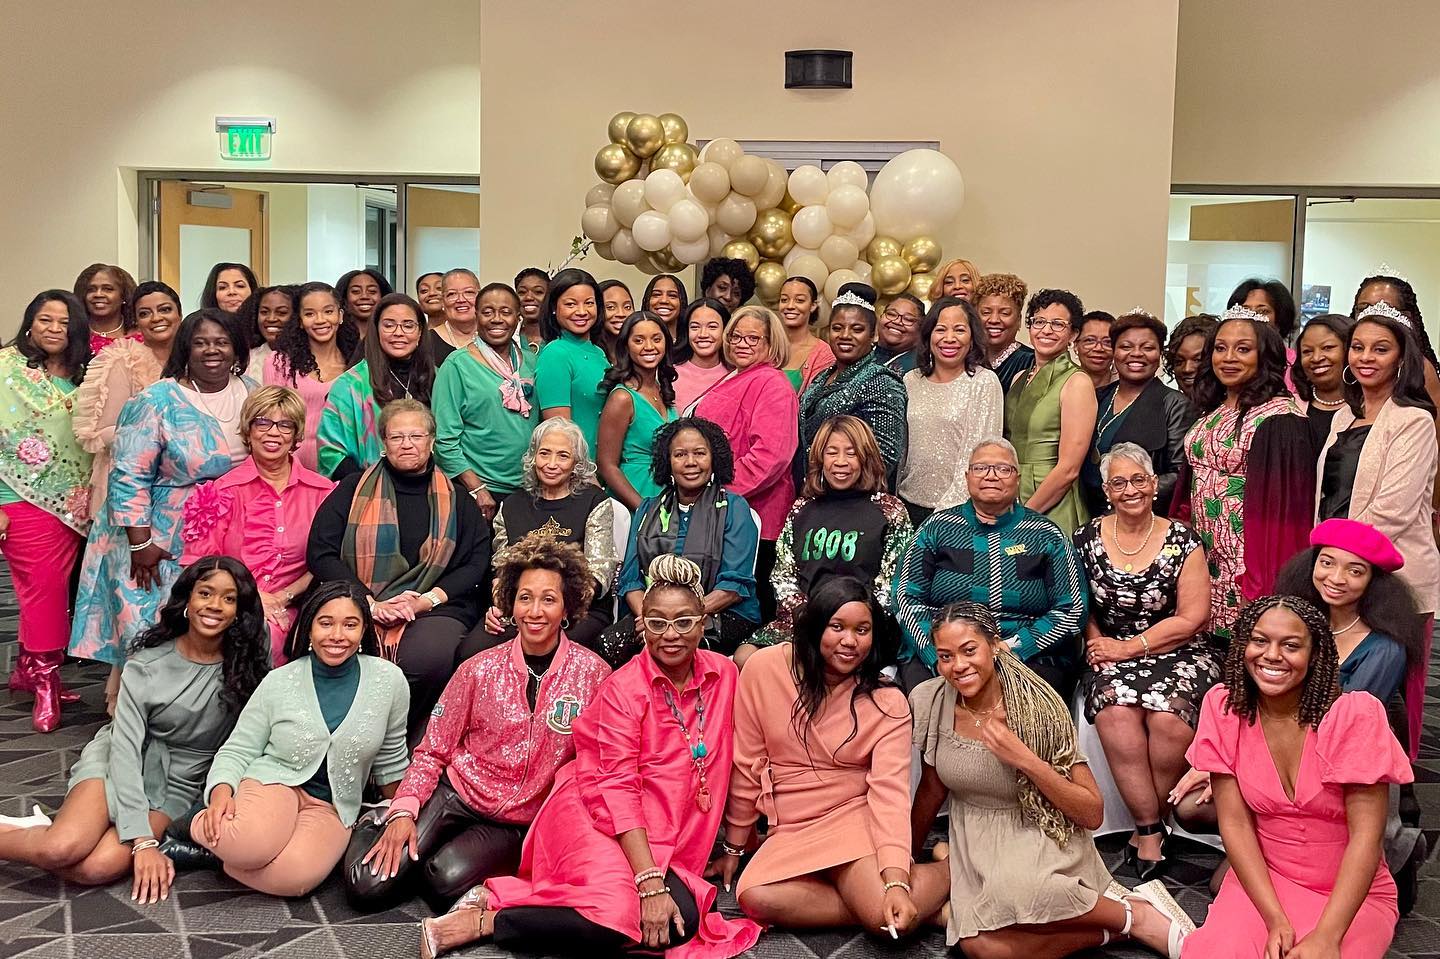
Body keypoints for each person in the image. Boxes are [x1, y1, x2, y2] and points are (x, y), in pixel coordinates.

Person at [416, 555, 762, 959]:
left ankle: (524, 905)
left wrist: (734, 847)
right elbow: (617, 788)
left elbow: (744, 762)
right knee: (623, 913)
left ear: (703, 623)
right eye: (657, 623)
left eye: (684, 621)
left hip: (669, 834)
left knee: (678, 921)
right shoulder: (622, 689)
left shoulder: (726, 677)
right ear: (641, 626)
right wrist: (649, 882)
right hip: (598, 817)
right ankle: (490, 919)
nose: (671, 635)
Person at [343, 533, 612, 912]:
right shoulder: (478, 668)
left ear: (567, 607)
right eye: (525, 598)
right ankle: (376, 820)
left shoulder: (594, 674)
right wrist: (404, 810)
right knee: (367, 885)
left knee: (443, 880)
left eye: (548, 599)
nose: (535, 611)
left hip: (519, 820)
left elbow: (597, 763)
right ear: (510, 605)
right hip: (457, 794)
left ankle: (437, 851)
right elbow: (433, 748)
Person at [910, 602, 1192, 958]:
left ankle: (1134, 915)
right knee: (980, 947)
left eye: (969, 650)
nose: (958, 666)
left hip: (1038, 825)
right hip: (976, 829)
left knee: (1021, 893)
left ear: (995, 645)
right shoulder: (929, 700)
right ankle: (1112, 933)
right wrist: (907, 858)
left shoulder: (1037, 708)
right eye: (945, 656)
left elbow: (1092, 813)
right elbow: (932, 788)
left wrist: (1024, 759)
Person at [0, 559, 268, 902]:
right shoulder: (147, 664)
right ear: (187, 600)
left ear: (239, 610)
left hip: (180, 781)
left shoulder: (247, 666)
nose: (215, 605)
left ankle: (38, 831)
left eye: (229, 599)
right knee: (61, 848)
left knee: (97, 867)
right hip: (121, 760)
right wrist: (142, 842)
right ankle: (34, 836)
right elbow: (125, 750)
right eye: (205, 593)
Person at [713, 579, 948, 934]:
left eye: (862, 630)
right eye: (837, 627)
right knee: (754, 896)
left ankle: (955, 868)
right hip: (792, 825)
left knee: (883, 922)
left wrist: (896, 879)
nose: (850, 641)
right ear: (815, 625)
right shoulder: (764, 668)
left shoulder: (888, 701)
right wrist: (733, 844)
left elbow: (890, 795)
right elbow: (747, 766)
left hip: (853, 819)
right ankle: (918, 911)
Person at [1180, 595, 1410, 959]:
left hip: (1348, 896)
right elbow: (1236, 826)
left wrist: (1328, 936)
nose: (1272, 655)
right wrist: (1274, 919)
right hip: (1266, 884)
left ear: (1316, 654)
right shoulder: (1223, 708)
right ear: (1243, 646)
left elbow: (1367, 837)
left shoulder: (1354, 715)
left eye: (1290, 645)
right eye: (1260, 641)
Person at [70, 308, 254, 699]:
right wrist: (140, 543)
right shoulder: (156, 399)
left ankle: (197, 713)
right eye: (201, 342)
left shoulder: (252, 392)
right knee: (149, 625)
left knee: (212, 623)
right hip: (159, 531)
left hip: (227, 526)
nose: (212, 351)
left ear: (237, 349)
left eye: (221, 342)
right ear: (185, 348)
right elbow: (129, 474)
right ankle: (131, 710)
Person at [192, 581, 409, 896]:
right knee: (248, 846)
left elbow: (391, 759)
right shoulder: (280, 681)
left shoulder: (389, 681)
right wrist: (221, 794)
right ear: (308, 629)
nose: (337, 635)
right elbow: (238, 749)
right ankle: (194, 825)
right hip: (276, 783)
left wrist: (402, 812)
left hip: (332, 806)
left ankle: (227, 861)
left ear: (364, 631)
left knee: (294, 879)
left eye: (350, 625)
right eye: (325, 623)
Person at [306, 399, 491, 743]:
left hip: (433, 606)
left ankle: (398, 742)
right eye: (397, 437)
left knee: (428, 656)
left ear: (432, 441)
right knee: (345, 645)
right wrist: (369, 603)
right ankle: (349, 742)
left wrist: (427, 601)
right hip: (359, 600)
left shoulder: (459, 499)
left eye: (416, 436)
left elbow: (477, 562)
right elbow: (321, 552)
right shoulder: (352, 489)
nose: (407, 444)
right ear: (384, 443)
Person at [1076, 442, 1217, 879]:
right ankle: (1151, 828)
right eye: (1119, 482)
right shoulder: (1085, 538)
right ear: (1106, 490)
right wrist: (1099, 644)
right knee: (1115, 710)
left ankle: (1150, 820)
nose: (1130, 489)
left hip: (1179, 650)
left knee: (1168, 719)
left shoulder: (1183, 539)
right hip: (1110, 650)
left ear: (1155, 485)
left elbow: (1194, 616)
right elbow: (1080, 608)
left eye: (1139, 480)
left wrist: (1130, 648)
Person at [1316, 299, 1438, 757]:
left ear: (1401, 358)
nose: (1365, 357)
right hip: (1340, 569)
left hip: (1395, 574)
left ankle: (1400, 797)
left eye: (1380, 349)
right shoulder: (1344, 417)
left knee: (1396, 692)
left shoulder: (1414, 419)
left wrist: (1331, 550)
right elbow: (1328, 498)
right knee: (1342, 677)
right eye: (1358, 347)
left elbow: (1393, 510)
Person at [894, 438, 1088, 696]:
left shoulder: (1046, 534)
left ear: (1017, 478)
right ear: (967, 477)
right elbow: (905, 598)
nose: (991, 476)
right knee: (927, 702)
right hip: (944, 649)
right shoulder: (936, 528)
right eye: (981, 468)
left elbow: (1072, 609)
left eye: (1003, 469)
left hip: (1027, 654)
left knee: (1028, 715)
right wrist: (940, 653)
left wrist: (1013, 648)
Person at [1178, 303, 1314, 642]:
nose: (1229, 358)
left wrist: (1266, 583)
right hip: (1207, 554)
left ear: (1264, 355)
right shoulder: (1211, 408)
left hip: (1251, 561)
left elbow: (1286, 517)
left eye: (1243, 349)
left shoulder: (1281, 418)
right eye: (1220, 348)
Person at [738, 415, 913, 664]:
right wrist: (810, 616)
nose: (840, 462)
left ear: (866, 458)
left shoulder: (889, 510)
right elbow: (782, 577)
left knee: (814, 662)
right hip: (803, 620)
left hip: (861, 626)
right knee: (746, 658)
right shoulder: (802, 508)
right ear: (820, 459)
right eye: (832, 453)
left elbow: (892, 587)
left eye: (850, 453)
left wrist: (845, 621)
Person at [180, 386, 334, 664]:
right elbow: (200, 564)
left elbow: (328, 559)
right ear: (248, 430)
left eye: (285, 424)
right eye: (263, 422)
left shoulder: (323, 493)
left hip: (300, 603)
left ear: (297, 435)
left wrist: (285, 596)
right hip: (229, 601)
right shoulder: (220, 491)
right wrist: (253, 596)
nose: (273, 432)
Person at [0, 291, 94, 730]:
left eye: (64, 322)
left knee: (43, 589)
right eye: (45, 319)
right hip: (17, 501)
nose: (54, 328)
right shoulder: (5, 370)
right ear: (29, 323)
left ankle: (25, 671)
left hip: (72, 504)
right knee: (47, 591)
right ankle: (45, 682)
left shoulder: (84, 377)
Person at [601, 417, 760, 665]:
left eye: (699, 453)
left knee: (679, 645)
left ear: (713, 459)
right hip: (652, 614)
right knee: (608, 645)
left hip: (718, 613)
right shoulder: (648, 509)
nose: (690, 462)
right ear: (668, 462)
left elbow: (733, 586)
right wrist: (655, 618)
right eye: (680, 454)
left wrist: (682, 617)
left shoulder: (734, 508)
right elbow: (630, 581)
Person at [477, 419, 617, 652]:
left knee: (553, 646)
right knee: (474, 648)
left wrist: (551, 611)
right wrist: (502, 606)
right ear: (533, 457)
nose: (552, 464)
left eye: (563, 456)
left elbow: (598, 572)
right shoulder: (511, 506)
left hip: (579, 611)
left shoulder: (594, 501)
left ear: (576, 463)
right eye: (544, 453)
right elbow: (502, 570)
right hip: (521, 611)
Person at [695, 305, 798, 618]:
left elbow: (770, 456)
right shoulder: (734, 376)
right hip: (721, 511)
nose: (742, 344)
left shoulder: (772, 383)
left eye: (753, 339)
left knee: (747, 608)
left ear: (771, 343)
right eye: (736, 337)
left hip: (757, 515)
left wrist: (717, 491)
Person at [1273, 520, 1421, 704]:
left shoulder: (1383, 649)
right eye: (1327, 563)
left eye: (1355, 571)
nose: (1336, 578)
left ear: (1373, 580)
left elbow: (1352, 720)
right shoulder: (1300, 617)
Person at [432, 283, 538, 519]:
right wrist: (477, 489)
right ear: (477, 315)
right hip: (481, 492)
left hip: (530, 490)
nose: (497, 319)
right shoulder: (457, 365)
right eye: (488, 312)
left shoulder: (532, 361)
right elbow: (445, 439)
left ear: (518, 317)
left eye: (506, 312)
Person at [897, 295, 1004, 525]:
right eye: (941, 329)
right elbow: (903, 449)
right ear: (928, 335)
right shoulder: (911, 380)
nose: (949, 338)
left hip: (958, 513)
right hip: (908, 505)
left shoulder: (983, 382)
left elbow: (980, 456)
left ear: (972, 337)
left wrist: (945, 515)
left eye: (959, 330)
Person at [75, 282, 177, 517]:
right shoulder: (123, 360)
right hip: (127, 482)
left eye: (164, 309)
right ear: (137, 322)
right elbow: (102, 433)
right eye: (145, 313)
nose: (156, 318)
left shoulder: (194, 360)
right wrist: (163, 436)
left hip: (178, 485)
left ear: (179, 314)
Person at [1081, 309, 1195, 517]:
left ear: (1160, 354)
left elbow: (1180, 475)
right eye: (1126, 347)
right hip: (1085, 509)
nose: (1136, 354)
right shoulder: (1097, 396)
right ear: (1114, 351)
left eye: (1148, 347)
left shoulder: (1174, 404)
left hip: (1138, 515)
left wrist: (1130, 494)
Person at [798, 283, 908, 490]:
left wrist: (839, 492)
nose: (845, 335)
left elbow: (886, 456)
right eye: (837, 328)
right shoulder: (822, 377)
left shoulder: (881, 380)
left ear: (873, 335)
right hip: (812, 493)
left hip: (853, 501)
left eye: (857, 329)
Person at [1005, 288, 1096, 535]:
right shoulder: (1018, 378)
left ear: (1073, 334)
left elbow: (1069, 469)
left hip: (1053, 499)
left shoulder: (1077, 382)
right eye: (1039, 322)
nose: (1046, 330)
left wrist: (1023, 517)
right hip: (1011, 494)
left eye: (1058, 324)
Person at [317, 292, 436, 480]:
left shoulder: (436, 377)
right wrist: (372, 484)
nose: (399, 332)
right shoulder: (350, 385)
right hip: (367, 489)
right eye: (389, 325)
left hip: (429, 485)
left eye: (408, 325)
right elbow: (331, 455)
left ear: (420, 332)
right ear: (376, 330)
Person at [265, 282, 357, 472]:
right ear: (299, 320)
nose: (320, 320)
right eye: (309, 314)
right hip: (289, 469)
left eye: (328, 311)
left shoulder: (357, 363)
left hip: (343, 467)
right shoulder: (279, 363)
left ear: (340, 316)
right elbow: (270, 420)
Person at [597, 311, 678, 508]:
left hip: (665, 496)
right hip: (634, 497)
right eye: (639, 340)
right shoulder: (622, 397)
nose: (649, 347)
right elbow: (607, 466)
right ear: (626, 346)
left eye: (656, 339)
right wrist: (643, 509)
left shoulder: (661, 389)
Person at [535, 268, 609, 453]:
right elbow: (560, 434)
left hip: (604, 466)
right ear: (553, 308)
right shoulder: (555, 354)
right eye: (571, 304)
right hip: (578, 469)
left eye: (589, 303)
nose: (582, 311)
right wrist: (585, 473)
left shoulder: (599, 352)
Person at [1292, 313, 1353, 451]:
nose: (1316, 358)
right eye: (1307, 351)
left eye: (1328, 348)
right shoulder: (1289, 407)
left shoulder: (1369, 409)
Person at [974, 272, 1033, 392]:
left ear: (1019, 320)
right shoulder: (967, 359)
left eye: (1004, 313)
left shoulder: (1031, 362)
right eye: (986, 312)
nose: (994, 320)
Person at [671, 297, 731, 412]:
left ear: (725, 331)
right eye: (695, 327)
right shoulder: (669, 374)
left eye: (712, 327)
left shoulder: (734, 376)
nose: (703, 334)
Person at [776, 276, 834, 391]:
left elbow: (817, 402)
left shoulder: (824, 354)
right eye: (784, 300)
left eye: (800, 300)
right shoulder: (768, 345)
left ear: (813, 306)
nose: (790, 306)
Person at [73, 263, 140, 353]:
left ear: (124, 295)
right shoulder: (73, 335)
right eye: (91, 289)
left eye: (108, 289)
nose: (98, 294)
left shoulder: (141, 337)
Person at [238, 284, 297, 381]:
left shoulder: (309, 358)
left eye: (281, 312)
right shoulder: (246, 359)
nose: (271, 319)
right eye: (264, 312)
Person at [427, 268, 481, 366]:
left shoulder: (494, 336)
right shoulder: (426, 342)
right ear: (443, 301)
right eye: (452, 294)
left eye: (469, 292)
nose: (461, 299)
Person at [1228, 277, 1299, 347]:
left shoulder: (1290, 358)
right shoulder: (1225, 356)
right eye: (1245, 310)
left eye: (1262, 311)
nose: (1252, 316)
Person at [1164, 313, 1217, 404]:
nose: (1187, 369)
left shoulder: (1237, 410)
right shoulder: (1169, 409)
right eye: (1179, 361)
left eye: (1197, 360)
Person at [336, 268, 392, 345]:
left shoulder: (393, 337)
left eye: (372, 291)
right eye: (356, 291)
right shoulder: (333, 338)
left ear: (383, 297)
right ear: (344, 299)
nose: (364, 296)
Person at [874, 292, 924, 375]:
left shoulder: (920, 367)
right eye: (891, 314)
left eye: (908, 319)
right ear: (881, 317)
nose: (897, 321)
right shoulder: (861, 352)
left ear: (920, 328)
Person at [1076, 310, 1116, 390]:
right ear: (1075, 345)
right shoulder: (1062, 386)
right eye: (1090, 340)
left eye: (1107, 342)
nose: (1099, 348)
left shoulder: (1124, 390)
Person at [642, 273, 688, 339]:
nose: (664, 300)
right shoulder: (634, 344)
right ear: (647, 301)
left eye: (672, 295)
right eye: (657, 294)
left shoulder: (693, 345)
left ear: (682, 302)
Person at [514, 267, 549, 353]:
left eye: (538, 292)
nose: (529, 297)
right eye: (522, 292)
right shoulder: (508, 337)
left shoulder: (561, 337)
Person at [597, 278, 634, 360]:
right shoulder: (590, 354)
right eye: (610, 307)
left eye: (627, 307)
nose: (621, 314)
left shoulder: (638, 353)